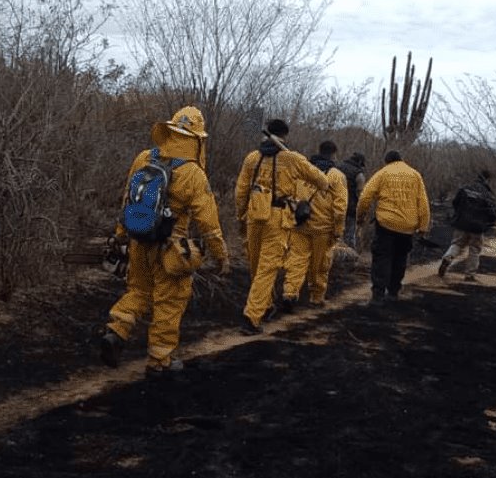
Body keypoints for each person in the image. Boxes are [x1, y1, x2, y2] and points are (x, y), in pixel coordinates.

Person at [99, 106, 230, 373]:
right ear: (197, 139)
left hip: (139, 241)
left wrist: (121, 236)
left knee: (138, 291)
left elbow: (128, 200)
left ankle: (116, 330)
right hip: (171, 249)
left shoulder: (144, 158)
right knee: (169, 302)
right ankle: (160, 361)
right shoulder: (193, 173)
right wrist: (220, 256)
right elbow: (208, 222)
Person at [234, 119, 332, 334]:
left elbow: (240, 191)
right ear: (285, 135)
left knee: (256, 265)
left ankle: (265, 305)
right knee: (267, 268)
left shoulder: (252, 158)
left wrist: (241, 215)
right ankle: (252, 317)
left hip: (254, 214)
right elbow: (321, 181)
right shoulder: (292, 158)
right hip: (277, 219)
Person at [355, 150, 430, 304]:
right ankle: (393, 292)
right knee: (400, 259)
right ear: (401, 159)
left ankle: (378, 295)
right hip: (407, 227)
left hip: (386, 224)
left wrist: (360, 217)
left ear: (386, 161)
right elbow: (423, 203)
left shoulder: (383, 173)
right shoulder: (415, 175)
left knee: (382, 258)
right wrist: (423, 227)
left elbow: (365, 197)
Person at [282, 141, 348, 309]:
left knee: (296, 259)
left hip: (300, 223)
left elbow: (290, 195)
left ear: (318, 151)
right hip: (323, 228)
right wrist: (338, 230)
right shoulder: (337, 176)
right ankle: (316, 297)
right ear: (334, 154)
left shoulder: (304, 171)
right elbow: (340, 208)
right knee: (320, 264)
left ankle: (290, 292)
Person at [439, 169, 496, 281]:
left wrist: (459, 215)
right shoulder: (487, 193)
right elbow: (492, 211)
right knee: (474, 249)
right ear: (488, 180)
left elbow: (455, 202)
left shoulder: (465, 188)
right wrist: (491, 223)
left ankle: (447, 257)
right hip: (477, 226)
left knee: (457, 244)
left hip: (462, 223)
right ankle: (469, 275)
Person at [336, 152, 366, 248]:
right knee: (349, 236)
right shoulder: (359, 174)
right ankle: (349, 259)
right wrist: (361, 213)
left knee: (334, 235)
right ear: (360, 162)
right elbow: (361, 194)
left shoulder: (337, 167)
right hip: (350, 208)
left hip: (334, 205)